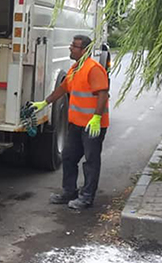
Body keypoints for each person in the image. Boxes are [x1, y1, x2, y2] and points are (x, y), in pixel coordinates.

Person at [30, 35, 110, 210]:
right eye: (72, 45)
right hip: (76, 124)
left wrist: (96, 118)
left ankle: (87, 197)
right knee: (68, 157)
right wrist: (45, 102)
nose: (70, 48)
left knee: (90, 161)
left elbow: (103, 94)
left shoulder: (93, 69)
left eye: (74, 46)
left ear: (84, 50)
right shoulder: (75, 68)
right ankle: (69, 192)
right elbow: (63, 88)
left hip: (92, 126)